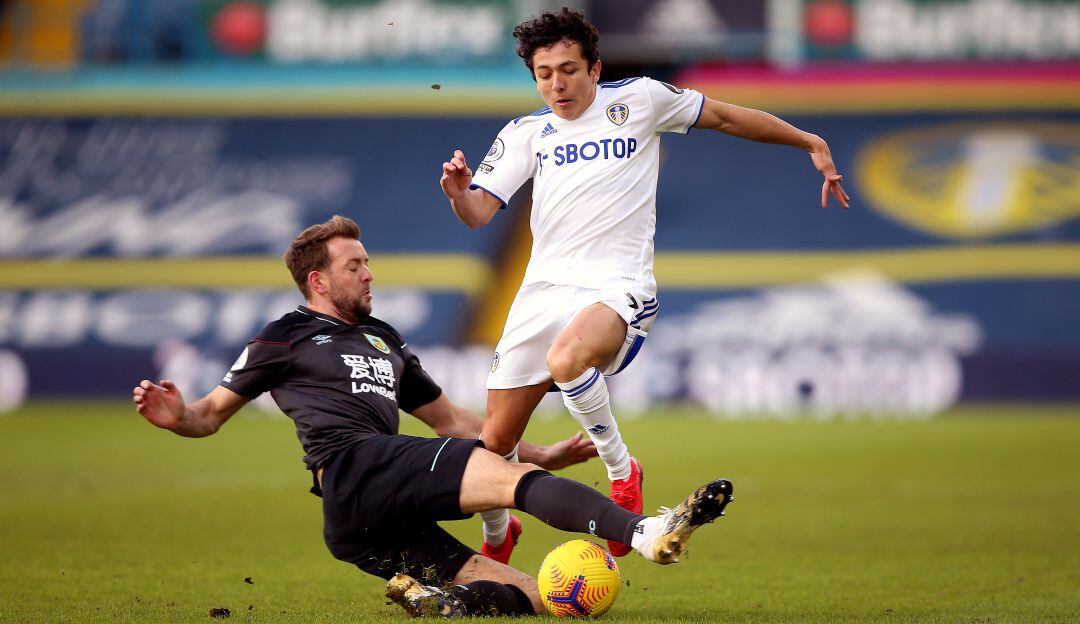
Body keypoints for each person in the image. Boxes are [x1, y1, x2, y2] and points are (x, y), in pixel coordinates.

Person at [132, 215, 735, 618]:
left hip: (361, 523)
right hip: (354, 468)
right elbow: (209, 414)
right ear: (317, 281)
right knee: (515, 488)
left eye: (367, 262)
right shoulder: (284, 337)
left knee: (530, 595)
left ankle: (439, 599)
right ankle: (643, 533)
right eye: (354, 266)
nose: (369, 273)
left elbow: (454, 423)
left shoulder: (383, 340)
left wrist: (543, 452)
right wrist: (175, 414)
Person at [439, 7, 848, 562]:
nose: (556, 84)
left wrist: (809, 141)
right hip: (541, 294)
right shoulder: (524, 134)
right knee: (493, 448)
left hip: (617, 283)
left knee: (568, 361)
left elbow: (726, 118)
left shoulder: (639, 101)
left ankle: (620, 470)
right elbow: (480, 214)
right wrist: (460, 193)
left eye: (568, 69)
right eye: (543, 73)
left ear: (595, 68)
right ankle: (498, 537)